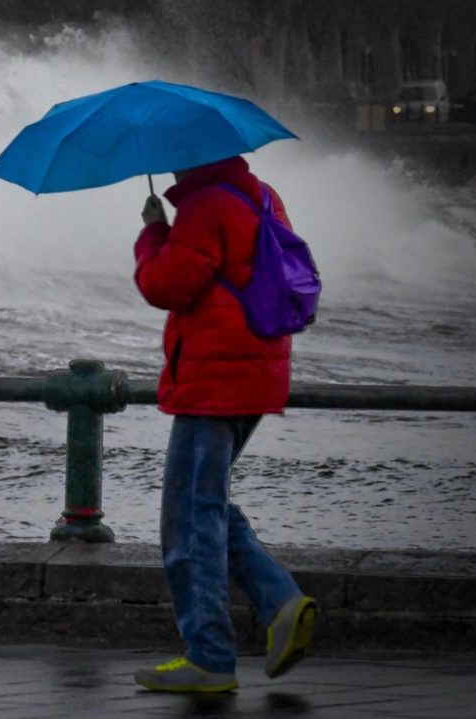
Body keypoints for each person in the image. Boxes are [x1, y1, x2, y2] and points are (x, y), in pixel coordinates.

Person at [131, 156, 318, 693]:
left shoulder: (203, 205)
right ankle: (280, 602)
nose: (167, 169)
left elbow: (166, 285)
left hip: (215, 377)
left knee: (188, 513)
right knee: (202, 503)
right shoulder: (261, 194)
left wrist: (151, 236)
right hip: (257, 370)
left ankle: (210, 654)